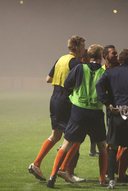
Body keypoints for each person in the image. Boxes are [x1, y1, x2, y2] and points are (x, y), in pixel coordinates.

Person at [46, 45, 107, 188]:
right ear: (101, 57)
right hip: (96, 112)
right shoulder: (104, 72)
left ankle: (52, 176)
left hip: (79, 111)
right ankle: (102, 180)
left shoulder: (80, 68)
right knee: (102, 146)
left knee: (67, 143)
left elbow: (67, 83)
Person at [28, 35, 85, 182]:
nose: (84, 50)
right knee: (74, 138)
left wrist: (60, 81)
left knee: (55, 135)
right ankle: (64, 170)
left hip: (54, 100)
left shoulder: (61, 59)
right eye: (83, 47)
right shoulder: (76, 63)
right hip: (66, 102)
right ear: (78, 48)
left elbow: (48, 79)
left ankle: (36, 164)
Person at [96, 49, 128, 189]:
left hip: (116, 112)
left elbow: (98, 85)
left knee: (113, 147)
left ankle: (112, 181)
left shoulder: (109, 72)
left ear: (119, 60)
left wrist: (108, 104)